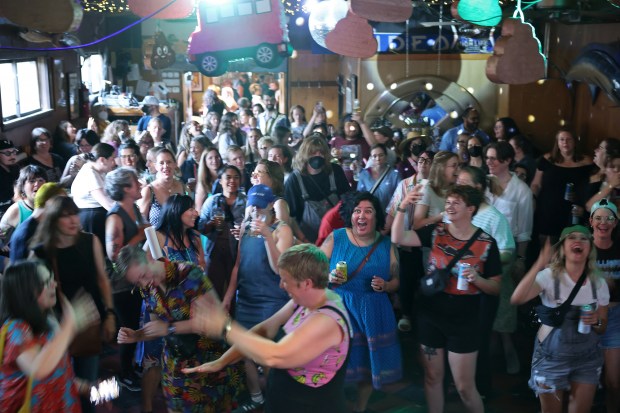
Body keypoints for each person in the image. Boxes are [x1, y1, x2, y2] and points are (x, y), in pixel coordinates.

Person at [183, 243, 353, 413]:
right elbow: (264, 330)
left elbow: (275, 355)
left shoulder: (326, 320)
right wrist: (221, 361)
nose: (281, 285)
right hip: (284, 398)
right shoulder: (303, 301)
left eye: (285, 280)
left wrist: (225, 327)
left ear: (306, 283)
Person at [392, 185, 502, 413]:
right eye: (448, 202)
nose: (449, 207)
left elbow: (495, 288)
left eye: (456, 203)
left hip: (465, 316)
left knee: (464, 386)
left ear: (471, 209)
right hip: (430, 311)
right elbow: (398, 237)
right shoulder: (435, 232)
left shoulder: (487, 242)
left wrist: (477, 279)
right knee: (433, 377)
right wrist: (403, 207)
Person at [115, 244, 242, 413]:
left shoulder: (189, 274)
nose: (145, 283)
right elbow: (156, 326)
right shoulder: (147, 288)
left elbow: (215, 320)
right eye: (138, 282)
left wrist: (169, 328)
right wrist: (137, 336)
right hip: (176, 363)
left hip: (208, 358)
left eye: (144, 275)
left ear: (149, 258)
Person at [30, 196, 116, 413]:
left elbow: (102, 279)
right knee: (62, 384)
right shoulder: (41, 252)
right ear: (52, 220)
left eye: (74, 214)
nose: (73, 220)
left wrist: (110, 313)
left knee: (88, 380)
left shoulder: (90, 241)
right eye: (65, 216)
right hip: (55, 327)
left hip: (89, 322)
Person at [511, 225, 610, 413]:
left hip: (587, 358)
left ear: (590, 248)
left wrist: (595, 321)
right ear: (562, 248)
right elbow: (517, 298)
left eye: (583, 238)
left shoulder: (599, 283)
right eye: (572, 238)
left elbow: (602, 327)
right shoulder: (549, 276)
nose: (578, 241)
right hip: (550, 358)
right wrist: (539, 263)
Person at [321, 192, 402, 413]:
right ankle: (333, 405)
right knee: (334, 364)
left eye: (368, 211)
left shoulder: (387, 245)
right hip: (340, 310)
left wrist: (386, 286)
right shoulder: (336, 238)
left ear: (376, 217)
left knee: (366, 365)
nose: (362, 215)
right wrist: (328, 278)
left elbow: (396, 281)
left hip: (373, 312)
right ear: (350, 215)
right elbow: (312, 268)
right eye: (357, 210)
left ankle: (360, 407)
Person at [225, 184, 293, 411]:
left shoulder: (281, 229)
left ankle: (276, 400)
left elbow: (278, 269)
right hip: (246, 298)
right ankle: (256, 398)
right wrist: (227, 298)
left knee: (268, 355)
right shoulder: (244, 227)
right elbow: (237, 266)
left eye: (260, 208)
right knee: (246, 353)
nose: (255, 212)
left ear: (271, 206)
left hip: (271, 301)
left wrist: (267, 237)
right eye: (252, 207)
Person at [0, 260, 99, 413]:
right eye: (45, 282)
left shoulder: (48, 319)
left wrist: (84, 387)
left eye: (51, 279)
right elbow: (38, 369)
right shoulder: (16, 329)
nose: (53, 285)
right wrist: (70, 326)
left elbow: (56, 369)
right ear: (26, 292)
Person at [104, 167, 146, 392]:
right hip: (120, 284)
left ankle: (131, 367)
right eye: (135, 182)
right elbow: (114, 254)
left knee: (135, 323)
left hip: (135, 278)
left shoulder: (135, 208)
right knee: (128, 326)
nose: (139, 185)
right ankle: (124, 373)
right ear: (125, 189)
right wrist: (139, 235)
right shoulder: (115, 216)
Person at [385, 150, 435, 331]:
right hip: (406, 239)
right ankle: (406, 314)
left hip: (428, 243)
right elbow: (393, 209)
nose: (423, 163)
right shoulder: (405, 184)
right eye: (421, 160)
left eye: (428, 161)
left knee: (427, 279)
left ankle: (426, 316)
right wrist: (385, 230)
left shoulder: (437, 187)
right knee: (406, 277)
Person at [531, 128, 594, 242]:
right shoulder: (547, 159)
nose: (565, 142)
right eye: (562, 139)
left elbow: (592, 188)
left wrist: (582, 202)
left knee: (571, 243)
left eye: (568, 139)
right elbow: (536, 184)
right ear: (557, 143)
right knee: (546, 246)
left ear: (575, 142)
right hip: (548, 209)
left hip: (573, 210)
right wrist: (532, 200)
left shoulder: (586, 162)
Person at [284, 135, 351, 243]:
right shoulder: (294, 180)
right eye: (313, 153)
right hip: (309, 241)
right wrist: (304, 241)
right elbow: (290, 217)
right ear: (304, 155)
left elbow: (348, 201)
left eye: (321, 153)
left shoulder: (335, 171)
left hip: (338, 236)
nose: (318, 156)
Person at [588, 199, 620, 412]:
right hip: (585, 317)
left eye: (609, 218)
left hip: (615, 317)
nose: (603, 222)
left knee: (613, 382)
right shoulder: (579, 247)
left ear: (616, 222)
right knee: (583, 382)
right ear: (591, 221)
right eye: (598, 218)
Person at [199, 165, 247, 298]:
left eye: (236, 177)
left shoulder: (246, 202)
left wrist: (244, 231)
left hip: (237, 253)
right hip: (215, 252)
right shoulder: (212, 201)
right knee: (212, 292)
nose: (232, 181)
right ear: (220, 180)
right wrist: (211, 224)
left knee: (236, 291)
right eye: (228, 177)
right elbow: (200, 225)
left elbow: (253, 226)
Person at [71, 143, 117, 246]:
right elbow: (108, 204)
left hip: (97, 215)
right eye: (112, 159)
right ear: (102, 160)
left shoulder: (98, 170)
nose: (114, 163)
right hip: (92, 218)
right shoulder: (90, 174)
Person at [9, 183, 67, 263]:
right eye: (62, 204)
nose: (65, 209)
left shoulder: (44, 225)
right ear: (49, 202)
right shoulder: (25, 233)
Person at [0, 165, 46, 249]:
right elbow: (2, 238)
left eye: (40, 180)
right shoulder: (16, 210)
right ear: (23, 187)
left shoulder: (53, 205)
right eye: (32, 181)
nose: (37, 184)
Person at [139, 148, 185, 229]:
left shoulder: (182, 187)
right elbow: (142, 221)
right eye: (161, 163)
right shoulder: (149, 190)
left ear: (175, 164)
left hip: (181, 238)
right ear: (156, 166)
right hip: (158, 239)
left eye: (169, 162)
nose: (165, 166)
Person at [413, 151, 459, 229]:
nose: (458, 170)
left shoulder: (457, 189)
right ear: (441, 168)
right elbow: (416, 224)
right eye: (454, 166)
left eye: (458, 165)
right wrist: (441, 216)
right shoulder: (427, 189)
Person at [356, 143, 401, 212]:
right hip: (369, 214)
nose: (378, 159)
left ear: (386, 157)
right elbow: (359, 196)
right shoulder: (364, 174)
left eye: (381, 155)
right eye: (374, 156)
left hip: (389, 215)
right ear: (370, 158)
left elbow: (399, 197)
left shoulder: (394, 174)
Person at [195, 147, 223, 212]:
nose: (214, 160)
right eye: (210, 158)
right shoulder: (202, 183)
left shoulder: (225, 177)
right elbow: (198, 210)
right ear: (205, 161)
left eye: (217, 157)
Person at [0, 139, 20, 217]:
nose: (12, 156)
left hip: (18, 204)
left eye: (14, 152)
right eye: (7, 153)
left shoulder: (15, 167)